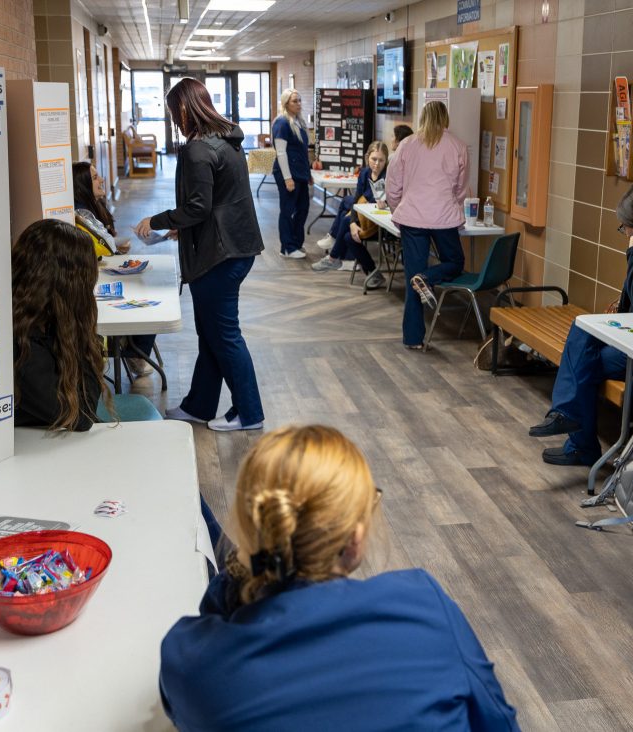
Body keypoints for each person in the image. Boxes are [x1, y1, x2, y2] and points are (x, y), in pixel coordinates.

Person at [159, 425, 519, 732]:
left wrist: (241, 578)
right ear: (355, 537)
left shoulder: (191, 660)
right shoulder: (425, 606)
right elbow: (499, 722)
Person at [134, 78, 265, 432]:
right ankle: (199, 405)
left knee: (223, 335)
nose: (173, 119)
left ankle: (249, 413)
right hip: (237, 247)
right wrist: (185, 225)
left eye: (172, 111)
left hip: (219, 255)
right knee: (211, 333)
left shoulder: (197, 149)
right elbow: (219, 201)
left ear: (182, 108)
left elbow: (198, 207)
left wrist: (156, 221)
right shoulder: (228, 140)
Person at [529, 181, 633, 466]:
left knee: (583, 363)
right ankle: (569, 422)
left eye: (626, 227)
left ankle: (578, 439)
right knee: (581, 326)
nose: (625, 234)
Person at [12, 218, 113, 431]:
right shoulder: (21, 343)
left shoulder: (41, 320)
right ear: (70, 284)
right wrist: (84, 328)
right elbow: (82, 415)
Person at [385, 101, 469, 349]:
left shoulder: (407, 145)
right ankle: (427, 277)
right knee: (455, 262)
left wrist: (397, 208)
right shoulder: (458, 146)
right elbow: (461, 190)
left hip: (412, 218)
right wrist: (452, 204)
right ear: (446, 118)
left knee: (413, 275)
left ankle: (413, 339)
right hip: (444, 218)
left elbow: (392, 186)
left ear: (422, 117)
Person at [71, 161, 156, 377]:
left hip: (105, 268)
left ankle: (137, 351)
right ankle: (135, 354)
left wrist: (116, 247)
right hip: (94, 278)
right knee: (145, 295)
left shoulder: (95, 206)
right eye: (95, 177)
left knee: (148, 287)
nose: (102, 180)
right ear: (81, 184)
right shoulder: (80, 212)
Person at [311, 141, 388, 289]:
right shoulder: (365, 173)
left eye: (381, 160)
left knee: (346, 219)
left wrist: (351, 220)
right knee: (348, 236)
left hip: (380, 223)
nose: (377, 164)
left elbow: (376, 203)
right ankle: (374, 274)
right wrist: (353, 223)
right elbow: (357, 200)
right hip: (363, 219)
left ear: (386, 160)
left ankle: (333, 258)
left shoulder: (387, 176)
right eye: (374, 159)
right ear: (367, 158)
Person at [272, 88, 311, 259]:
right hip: (287, 173)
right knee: (287, 210)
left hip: (300, 172)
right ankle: (287, 247)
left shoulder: (299, 122)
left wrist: (308, 172)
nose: (299, 104)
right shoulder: (282, 123)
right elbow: (281, 152)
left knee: (303, 208)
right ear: (286, 103)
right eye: (295, 101)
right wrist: (288, 178)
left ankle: (296, 243)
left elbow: (302, 151)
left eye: (300, 100)